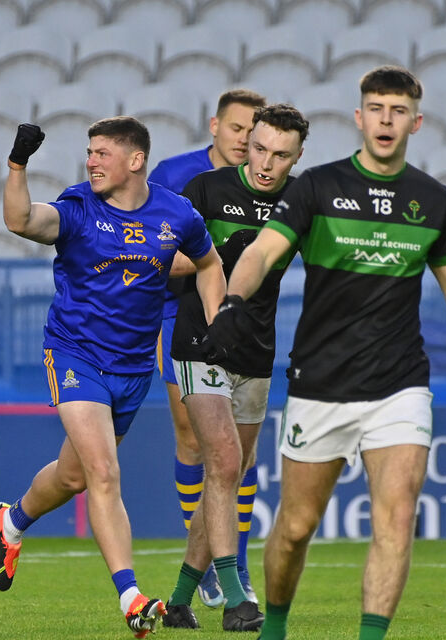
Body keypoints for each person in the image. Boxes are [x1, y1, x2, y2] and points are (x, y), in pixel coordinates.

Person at [209, 66, 446, 640]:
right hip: (320, 383)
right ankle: (270, 639)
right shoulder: (317, 189)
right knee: (295, 529)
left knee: (396, 514)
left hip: (399, 384)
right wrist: (231, 306)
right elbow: (261, 252)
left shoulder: (432, 201)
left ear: (415, 121)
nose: (385, 119)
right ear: (359, 118)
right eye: (375, 108)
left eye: (397, 110)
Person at [0, 117, 228, 637]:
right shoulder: (78, 210)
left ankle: (11, 521)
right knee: (103, 473)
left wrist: (216, 322)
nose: (91, 160)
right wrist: (17, 165)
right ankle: (131, 596)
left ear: (134, 160)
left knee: (73, 476)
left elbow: (209, 263)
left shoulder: (175, 212)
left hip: (134, 367)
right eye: (89, 152)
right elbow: (22, 220)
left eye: (101, 153)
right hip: (75, 356)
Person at [161, 104, 308, 633]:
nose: (266, 163)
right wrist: (215, 256)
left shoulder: (299, 202)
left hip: (257, 352)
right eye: (260, 148)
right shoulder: (206, 190)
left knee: (232, 471)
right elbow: (163, 259)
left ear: (297, 157)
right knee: (222, 464)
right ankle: (234, 598)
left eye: (281, 155)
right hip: (200, 342)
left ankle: (178, 599)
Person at [148, 89, 267, 609]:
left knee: (241, 456)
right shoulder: (178, 177)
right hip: (178, 317)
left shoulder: (271, 186)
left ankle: (231, 560)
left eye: (253, 131)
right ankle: (218, 569)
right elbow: (147, 243)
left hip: (246, 329)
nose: (245, 139)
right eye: (237, 128)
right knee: (195, 442)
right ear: (214, 125)